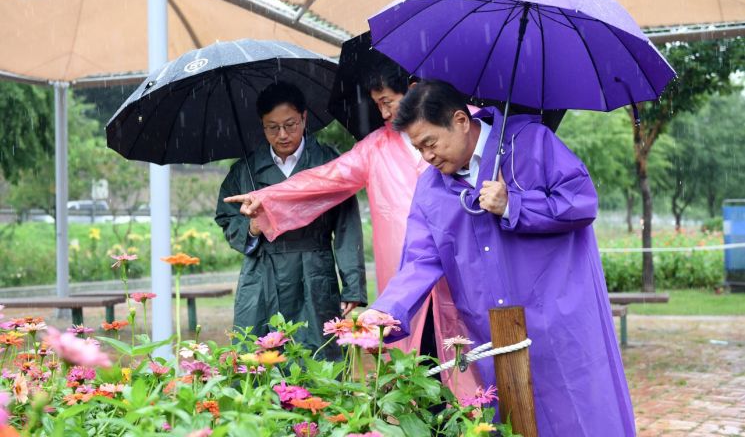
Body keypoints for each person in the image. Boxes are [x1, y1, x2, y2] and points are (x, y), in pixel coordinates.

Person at [360, 80, 636, 436]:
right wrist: (387, 310)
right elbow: (420, 259)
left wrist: (514, 205)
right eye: (418, 149)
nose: (427, 157)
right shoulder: (431, 188)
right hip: (495, 332)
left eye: (430, 143)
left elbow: (581, 201)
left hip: (559, 322)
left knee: (580, 418)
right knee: (514, 422)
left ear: (460, 120)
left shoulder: (532, 143)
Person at [223, 60, 480, 396]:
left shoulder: (464, 125)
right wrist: (268, 197)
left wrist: (352, 286)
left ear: (413, 92)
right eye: (378, 105)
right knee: (416, 369)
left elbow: (345, 227)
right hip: (407, 274)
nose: (384, 113)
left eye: (387, 102)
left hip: (466, 269)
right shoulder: (375, 147)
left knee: (475, 362)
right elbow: (326, 180)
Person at [215, 81, 366, 360]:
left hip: (314, 270)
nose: (283, 135)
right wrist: (252, 227)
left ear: (304, 118)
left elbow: (347, 227)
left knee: (319, 359)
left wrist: (353, 285)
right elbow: (225, 218)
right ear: (262, 125)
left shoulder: (327, 162)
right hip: (262, 273)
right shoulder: (245, 170)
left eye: (290, 124)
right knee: (257, 360)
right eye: (272, 127)